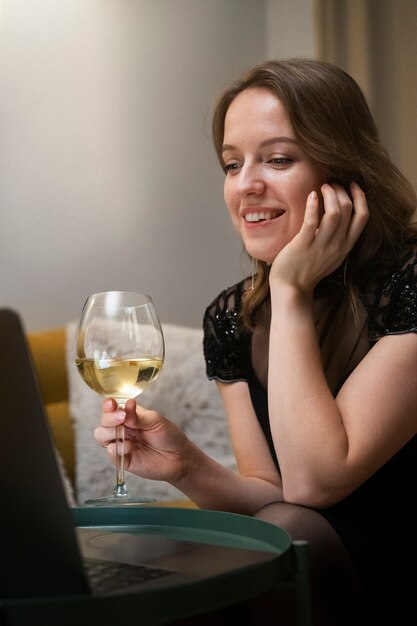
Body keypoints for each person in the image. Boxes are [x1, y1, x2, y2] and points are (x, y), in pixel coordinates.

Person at [94, 58, 417, 625]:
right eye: (232, 163)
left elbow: (317, 482)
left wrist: (289, 289)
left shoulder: (409, 284)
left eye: (278, 159)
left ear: (344, 170)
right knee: (235, 549)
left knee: (281, 544)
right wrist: (185, 465)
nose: (247, 185)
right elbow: (274, 492)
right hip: (313, 556)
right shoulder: (232, 316)